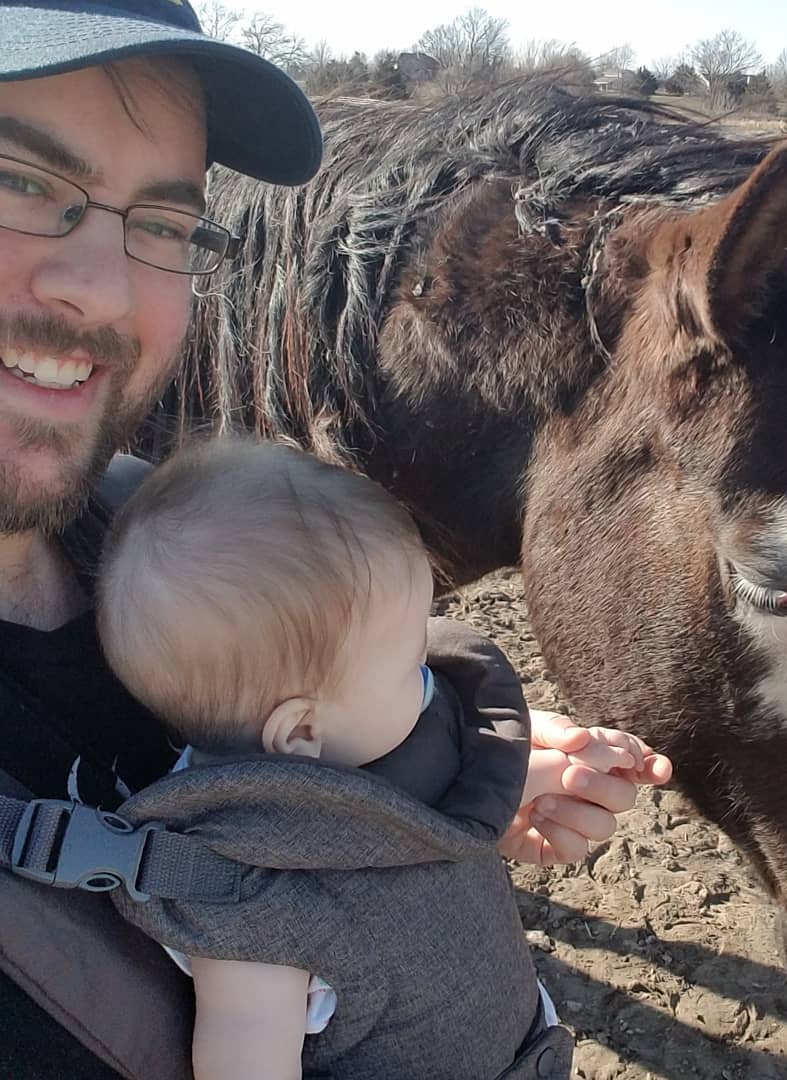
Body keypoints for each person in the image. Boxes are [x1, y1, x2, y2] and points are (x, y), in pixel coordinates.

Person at [0, 1, 672, 1077]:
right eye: (21, 180)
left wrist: (413, 781)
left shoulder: (149, 538)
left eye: (163, 224)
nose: (104, 292)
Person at [96, 437, 654, 1079]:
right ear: (300, 732)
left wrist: (519, 781)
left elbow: (395, 822)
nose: (429, 681)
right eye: (409, 663)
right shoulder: (247, 899)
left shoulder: (352, 752)